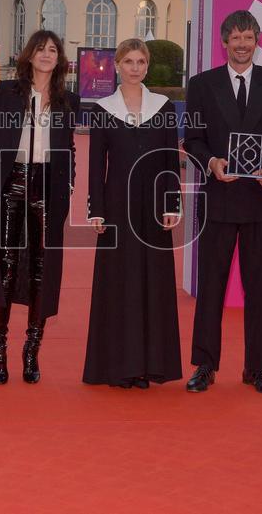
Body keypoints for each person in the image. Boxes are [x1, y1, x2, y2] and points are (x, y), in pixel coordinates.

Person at [182, 10, 262, 395]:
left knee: (259, 289)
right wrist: (212, 163)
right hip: (218, 200)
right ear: (224, 42)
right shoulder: (201, 85)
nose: (242, 44)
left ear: (258, 40)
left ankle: (257, 368)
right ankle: (205, 365)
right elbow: (193, 140)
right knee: (211, 288)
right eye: (235, 38)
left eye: (248, 37)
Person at [0, 29, 80, 385]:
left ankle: (31, 351)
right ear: (29, 55)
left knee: (42, 268)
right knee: (5, 267)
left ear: (60, 58)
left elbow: (68, 146)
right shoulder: (8, 92)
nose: (46, 54)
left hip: (49, 184)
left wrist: (68, 181)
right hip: (11, 182)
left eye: (53, 49)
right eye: (40, 49)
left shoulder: (68, 99)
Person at [83, 38, 182, 389]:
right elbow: (97, 165)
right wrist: (96, 210)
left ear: (147, 65)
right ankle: (119, 367)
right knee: (119, 283)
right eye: (128, 61)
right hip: (116, 207)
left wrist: (172, 203)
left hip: (155, 206)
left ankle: (149, 365)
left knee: (152, 282)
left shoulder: (164, 107)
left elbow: (172, 158)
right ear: (117, 66)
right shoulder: (102, 109)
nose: (135, 68)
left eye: (141, 61)